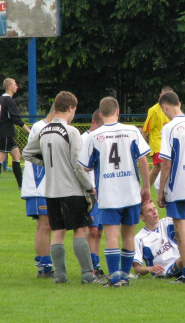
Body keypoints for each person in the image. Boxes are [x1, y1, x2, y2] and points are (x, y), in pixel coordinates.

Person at [22, 91, 99, 284]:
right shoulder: (71, 132)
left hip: (50, 191)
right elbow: (77, 165)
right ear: (71, 108)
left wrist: (47, 164)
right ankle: (88, 276)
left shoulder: (44, 130)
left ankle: (61, 276)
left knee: (58, 231)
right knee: (81, 230)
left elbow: (27, 153)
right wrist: (89, 187)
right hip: (71, 190)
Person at [78, 97, 151, 288]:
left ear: (100, 114)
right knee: (128, 235)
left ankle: (115, 278)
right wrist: (146, 186)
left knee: (111, 236)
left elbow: (84, 167)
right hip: (131, 192)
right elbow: (143, 160)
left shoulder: (94, 136)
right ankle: (125, 276)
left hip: (109, 194)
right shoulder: (132, 131)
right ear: (118, 112)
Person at [157, 91, 185, 284]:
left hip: (178, 187)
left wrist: (160, 191)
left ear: (165, 107)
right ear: (179, 103)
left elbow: (166, 164)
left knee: (181, 230)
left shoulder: (169, 128)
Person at [21, 106, 55, 278]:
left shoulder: (48, 128)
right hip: (39, 183)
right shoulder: (40, 127)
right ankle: (45, 265)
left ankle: (43, 264)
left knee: (44, 225)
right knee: (45, 225)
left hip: (45, 185)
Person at [0, 78, 30, 190]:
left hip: (3, 133)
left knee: (17, 155)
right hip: (6, 133)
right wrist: (29, 131)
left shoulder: (0, 99)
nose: (16, 86)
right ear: (9, 86)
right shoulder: (8, 100)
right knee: (0, 157)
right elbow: (16, 119)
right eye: (15, 84)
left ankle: (21, 185)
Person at [81, 109, 104, 277]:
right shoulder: (83, 139)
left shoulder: (103, 138)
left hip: (104, 191)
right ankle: (92, 266)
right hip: (89, 191)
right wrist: (88, 186)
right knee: (92, 230)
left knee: (100, 231)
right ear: (94, 122)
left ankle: (96, 264)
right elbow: (80, 167)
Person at [141, 86, 173, 186]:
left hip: (169, 144)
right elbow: (146, 129)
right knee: (166, 167)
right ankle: (164, 194)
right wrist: (141, 148)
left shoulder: (172, 109)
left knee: (157, 169)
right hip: (158, 145)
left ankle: (144, 191)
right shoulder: (154, 110)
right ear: (160, 96)